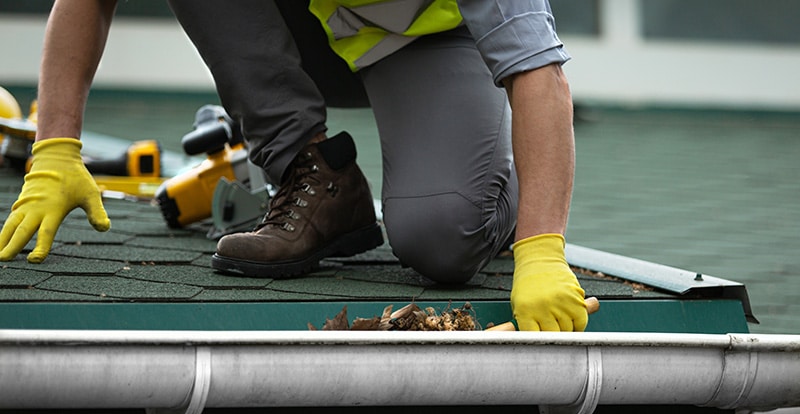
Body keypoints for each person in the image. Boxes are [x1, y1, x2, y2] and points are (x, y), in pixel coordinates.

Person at [0, 0, 587, 332]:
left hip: (426, 44)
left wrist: (540, 247)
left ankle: (498, 197)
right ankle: (312, 171)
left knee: (441, 242)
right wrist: (55, 149)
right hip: (305, 26)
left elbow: (540, 75)